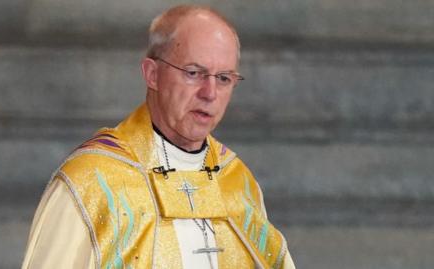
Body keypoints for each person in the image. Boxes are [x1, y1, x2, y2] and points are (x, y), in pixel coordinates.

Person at [22, 4, 295, 269]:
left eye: (223, 78)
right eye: (193, 73)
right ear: (152, 74)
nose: (209, 93)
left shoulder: (236, 182)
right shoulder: (91, 181)